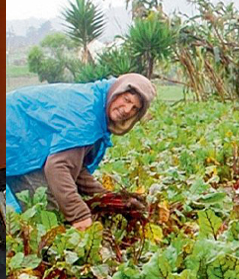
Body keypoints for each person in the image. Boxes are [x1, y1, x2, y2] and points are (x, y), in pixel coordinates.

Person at [6, 74, 156, 229]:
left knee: (53, 208)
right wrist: (80, 216)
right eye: (126, 100)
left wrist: (107, 197)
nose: (127, 110)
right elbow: (58, 167)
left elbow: (76, 167)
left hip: (23, 140)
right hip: (14, 138)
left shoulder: (97, 106)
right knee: (47, 212)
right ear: (117, 92)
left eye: (135, 108)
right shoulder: (87, 114)